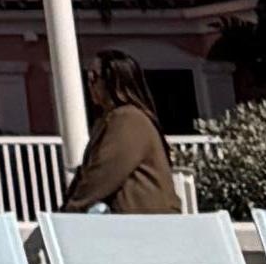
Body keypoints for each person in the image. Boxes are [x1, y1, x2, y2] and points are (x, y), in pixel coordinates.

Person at [65, 50, 184, 216]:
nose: (89, 84)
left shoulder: (128, 119)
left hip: (147, 223)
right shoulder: (109, 119)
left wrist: (71, 210)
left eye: (94, 77)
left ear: (113, 81)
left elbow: (103, 174)